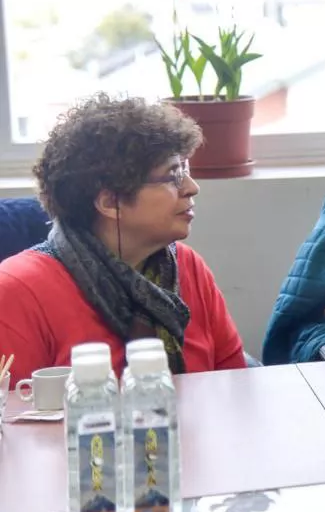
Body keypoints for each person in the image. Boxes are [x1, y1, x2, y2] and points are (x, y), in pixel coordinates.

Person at [0, 94, 246, 383]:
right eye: (173, 175)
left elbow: (234, 386)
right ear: (110, 202)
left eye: (186, 169)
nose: (192, 188)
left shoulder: (189, 267)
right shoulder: (17, 291)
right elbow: (13, 418)